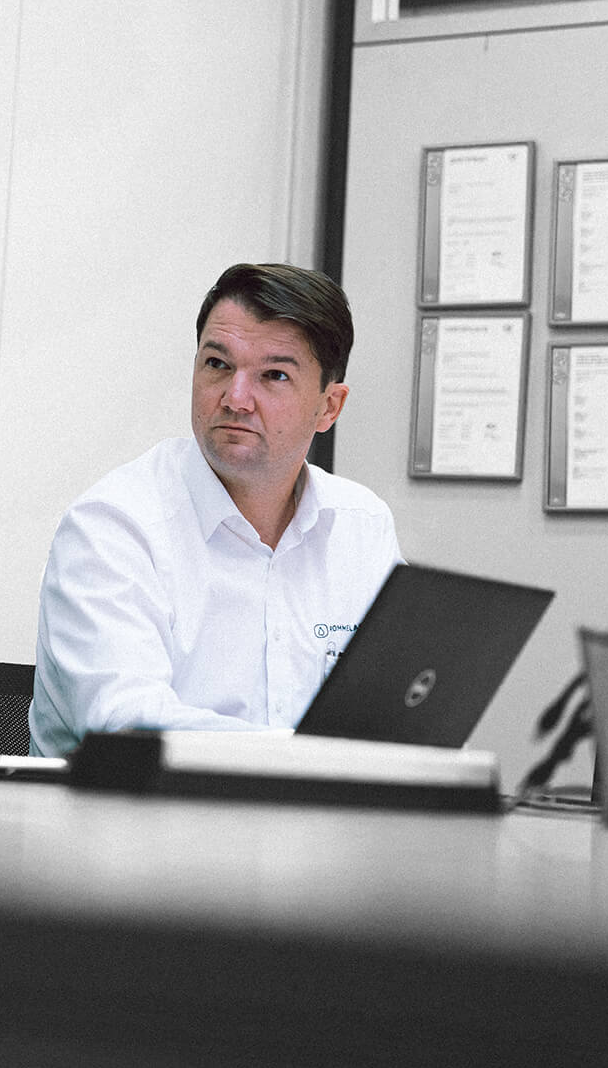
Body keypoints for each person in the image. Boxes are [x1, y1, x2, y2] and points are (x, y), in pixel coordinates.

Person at [29, 263, 400, 757]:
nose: (235, 399)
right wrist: (311, 756)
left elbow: (397, 719)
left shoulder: (362, 527)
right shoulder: (114, 525)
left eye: (273, 375)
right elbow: (120, 723)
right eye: (218, 365)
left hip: (314, 827)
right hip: (130, 826)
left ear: (329, 406)